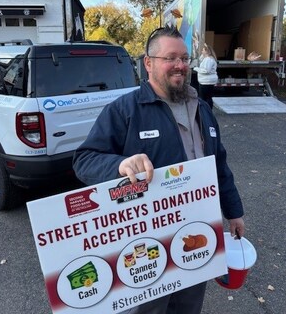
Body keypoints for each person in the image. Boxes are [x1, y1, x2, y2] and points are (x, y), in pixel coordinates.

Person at [73, 25, 245, 314]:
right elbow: (84, 159)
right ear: (148, 63)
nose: (180, 65)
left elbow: (219, 165)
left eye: (184, 58)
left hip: (197, 233)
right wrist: (119, 164)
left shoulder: (202, 109)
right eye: (170, 58)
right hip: (147, 244)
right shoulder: (125, 110)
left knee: (189, 306)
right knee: (150, 309)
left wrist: (234, 211)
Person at [193, 43, 218, 109]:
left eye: (203, 50)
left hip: (206, 81)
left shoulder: (208, 60)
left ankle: (206, 111)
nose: (202, 51)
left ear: (207, 51)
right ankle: (208, 110)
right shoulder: (207, 58)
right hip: (207, 81)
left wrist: (196, 68)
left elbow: (206, 70)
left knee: (204, 98)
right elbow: (200, 58)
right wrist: (206, 48)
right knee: (208, 97)